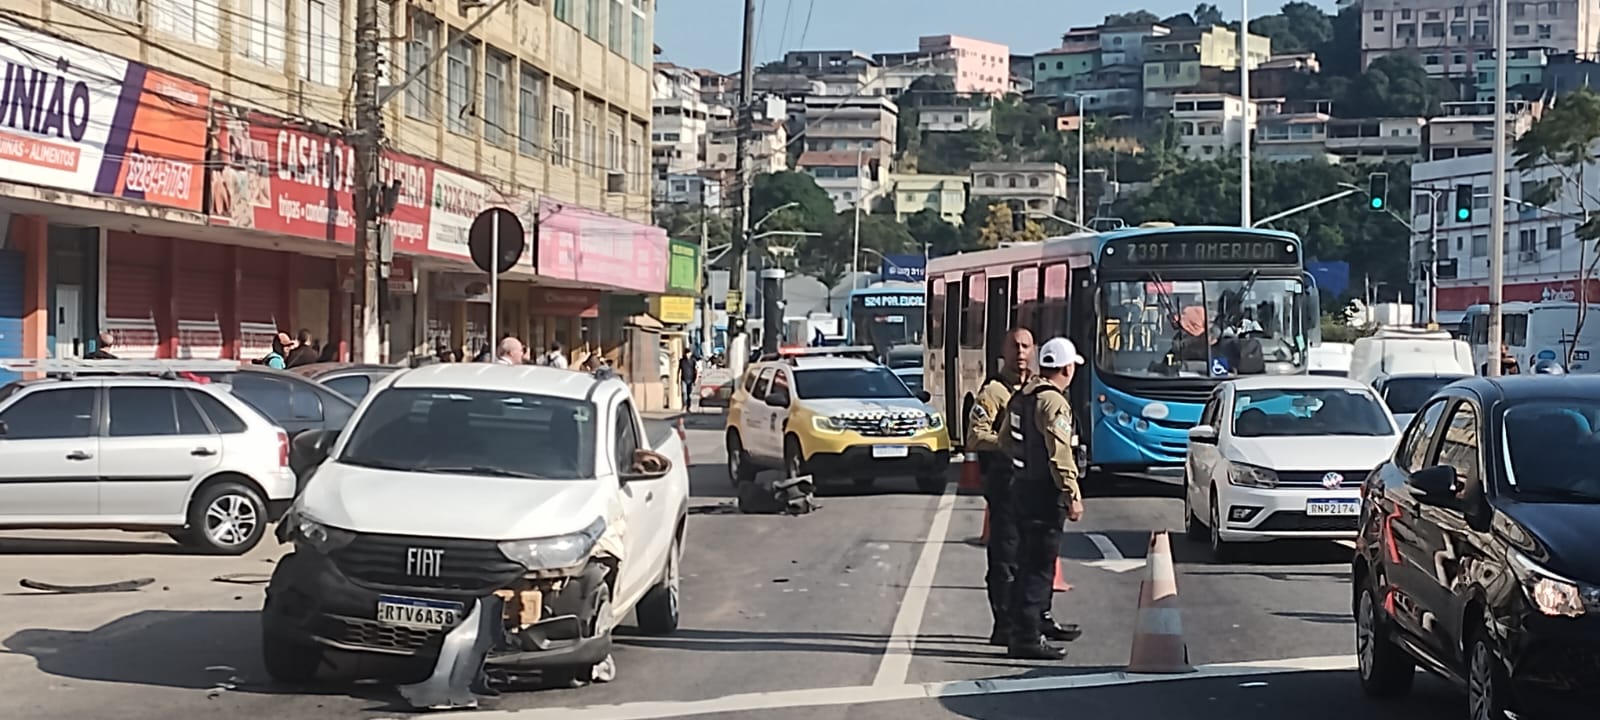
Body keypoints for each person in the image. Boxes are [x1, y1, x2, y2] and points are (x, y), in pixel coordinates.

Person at [967, 328, 1082, 648]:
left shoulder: (1033, 390)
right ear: (1003, 349)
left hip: (1027, 481)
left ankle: (1037, 618)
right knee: (1008, 558)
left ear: (1035, 351)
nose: (1020, 352)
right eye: (1014, 346)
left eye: (1026, 346)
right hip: (1006, 482)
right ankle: (1008, 625)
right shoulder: (996, 391)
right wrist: (1016, 447)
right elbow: (976, 436)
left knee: (1035, 559)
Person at [1001, 336, 1086, 660]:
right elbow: (1060, 454)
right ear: (1066, 368)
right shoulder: (1053, 403)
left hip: (1022, 486)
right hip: (1043, 492)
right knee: (1038, 565)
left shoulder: (1023, 396)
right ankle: (1026, 635)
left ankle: (1037, 620)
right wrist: (1071, 493)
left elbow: (1006, 439)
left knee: (1029, 561)